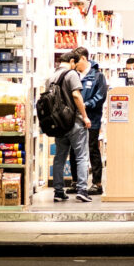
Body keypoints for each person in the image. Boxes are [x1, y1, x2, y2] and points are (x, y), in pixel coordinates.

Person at [52, 49, 92, 203]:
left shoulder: (51, 77)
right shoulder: (71, 74)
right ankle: (82, 189)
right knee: (82, 156)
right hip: (74, 122)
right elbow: (76, 95)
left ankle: (58, 191)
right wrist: (85, 116)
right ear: (72, 62)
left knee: (60, 157)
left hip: (58, 123)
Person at [70, 52, 107, 195]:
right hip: (75, 119)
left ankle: (97, 184)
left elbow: (101, 96)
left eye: (77, 62)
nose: (75, 66)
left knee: (92, 149)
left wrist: (85, 105)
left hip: (92, 119)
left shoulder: (98, 76)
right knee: (74, 150)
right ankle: (76, 182)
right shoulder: (73, 74)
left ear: (84, 59)